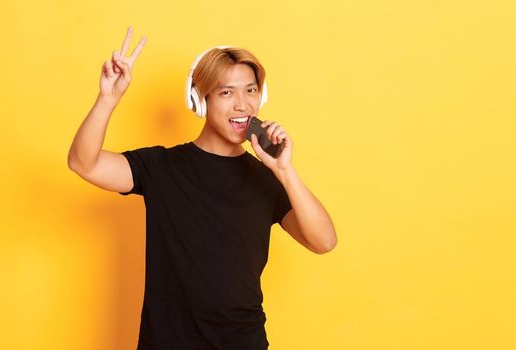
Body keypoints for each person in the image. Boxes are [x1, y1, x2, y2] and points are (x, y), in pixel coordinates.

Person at [67, 26, 337, 350]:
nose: (242, 105)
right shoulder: (161, 167)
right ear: (200, 98)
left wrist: (284, 168)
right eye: (226, 92)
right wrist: (107, 99)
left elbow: (324, 242)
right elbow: (84, 163)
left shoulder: (267, 178)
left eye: (250, 91)